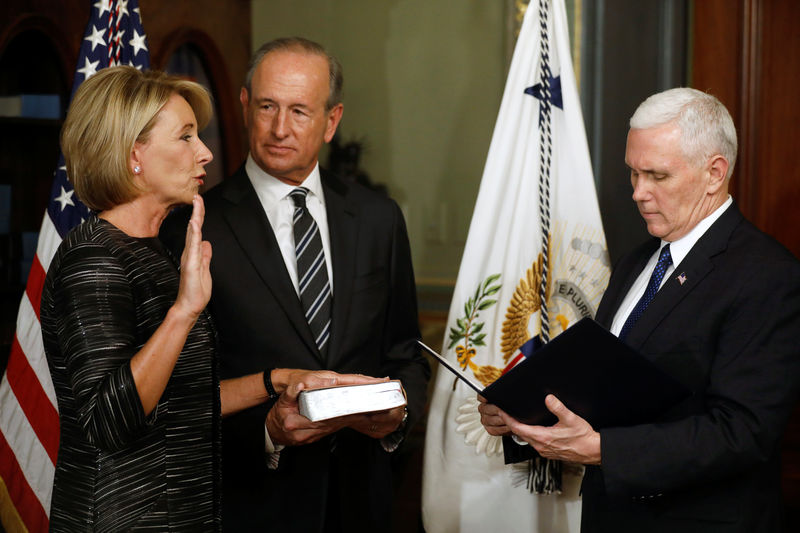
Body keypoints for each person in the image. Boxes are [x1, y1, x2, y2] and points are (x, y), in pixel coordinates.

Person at [479, 88, 800, 532]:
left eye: (657, 176)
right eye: (633, 173)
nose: (638, 192)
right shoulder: (638, 261)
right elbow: (606, 389)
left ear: (715, 173)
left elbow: (743, 432)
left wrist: (605, 450)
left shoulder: (767, 275)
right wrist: (522, 416)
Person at [161, 37, 430, 532]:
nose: (280, 129)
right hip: (250, 505)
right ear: (243, 106)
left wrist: (398, 416)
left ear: (331, 121)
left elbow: (404, 354)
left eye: (300, 112)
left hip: (360, 502)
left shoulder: (378, 219)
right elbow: (176, 393)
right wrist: (265, 431)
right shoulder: (192, 226)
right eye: (267, 106)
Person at [42, 66, 272, 532]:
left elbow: (180, 400)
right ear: (134, 156)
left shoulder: (154, 251)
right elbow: (111, 421)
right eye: (186, 137)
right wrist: (185, 311)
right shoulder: (94, 258)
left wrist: (277, 381)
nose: (205, 152)